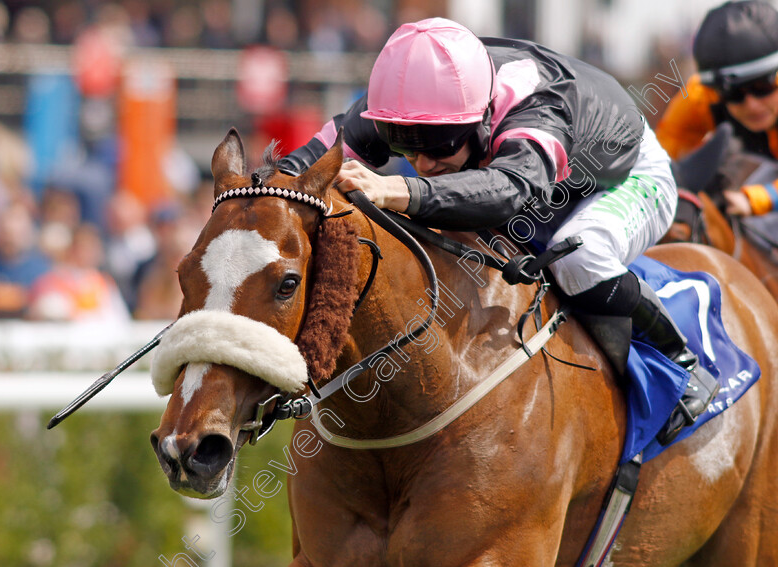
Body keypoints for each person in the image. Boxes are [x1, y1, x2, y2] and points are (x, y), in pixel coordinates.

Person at [278, 17, 717, 446]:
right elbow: (303, 167)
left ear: (485, 116)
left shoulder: (536, 104)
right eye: (403, 146)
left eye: (440, 145)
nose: (423, 161)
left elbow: (510, 192)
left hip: (622, 177)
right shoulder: (405, 102)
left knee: (578, 258)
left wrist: (398, 186)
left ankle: (678, 359)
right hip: (536, 177)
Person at [656, 0, 778, 218]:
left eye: (763, 87)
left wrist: (758, 199)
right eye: (733, 94)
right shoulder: (699, 97)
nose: (751, 104)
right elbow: (660, 164)